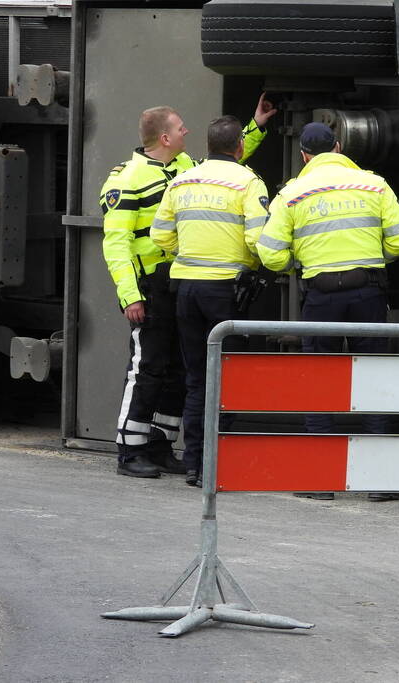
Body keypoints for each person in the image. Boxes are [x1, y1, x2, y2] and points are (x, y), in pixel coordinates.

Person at [100, 96, 276, 478]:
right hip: (148, 287)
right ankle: (130, 451)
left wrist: (255, 127)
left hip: (179, 280)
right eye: (181, 128)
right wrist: (130, 295)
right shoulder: (126, 178)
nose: (187, 132)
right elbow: (115, 243)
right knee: (146, 367)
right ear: (165, 137)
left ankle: (162, 444)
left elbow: (226, 163)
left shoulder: (184, 168)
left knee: (180, 368)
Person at [256, 122, 399, 501]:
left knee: (320, 381)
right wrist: (377, 260)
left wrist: (298, 263)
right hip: (368, 292)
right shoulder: (373, 184)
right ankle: (378, 483)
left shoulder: (292, 194)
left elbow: (269, 252)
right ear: (340, 146)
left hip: (320, 296)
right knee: (374, 379)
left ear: (304, 155)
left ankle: (322, 480)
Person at [151, 115, 271, 487]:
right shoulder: (248, 182)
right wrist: (258, 264)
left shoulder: (183, 180)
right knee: (228, 378)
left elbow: (160, 235)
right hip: (225, 290)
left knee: (195, 377)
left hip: (186, 287)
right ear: (238, 147)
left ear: (208, 144)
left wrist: (187, 256)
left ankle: (193, 462)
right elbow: (258, 238)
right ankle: (215, 465)